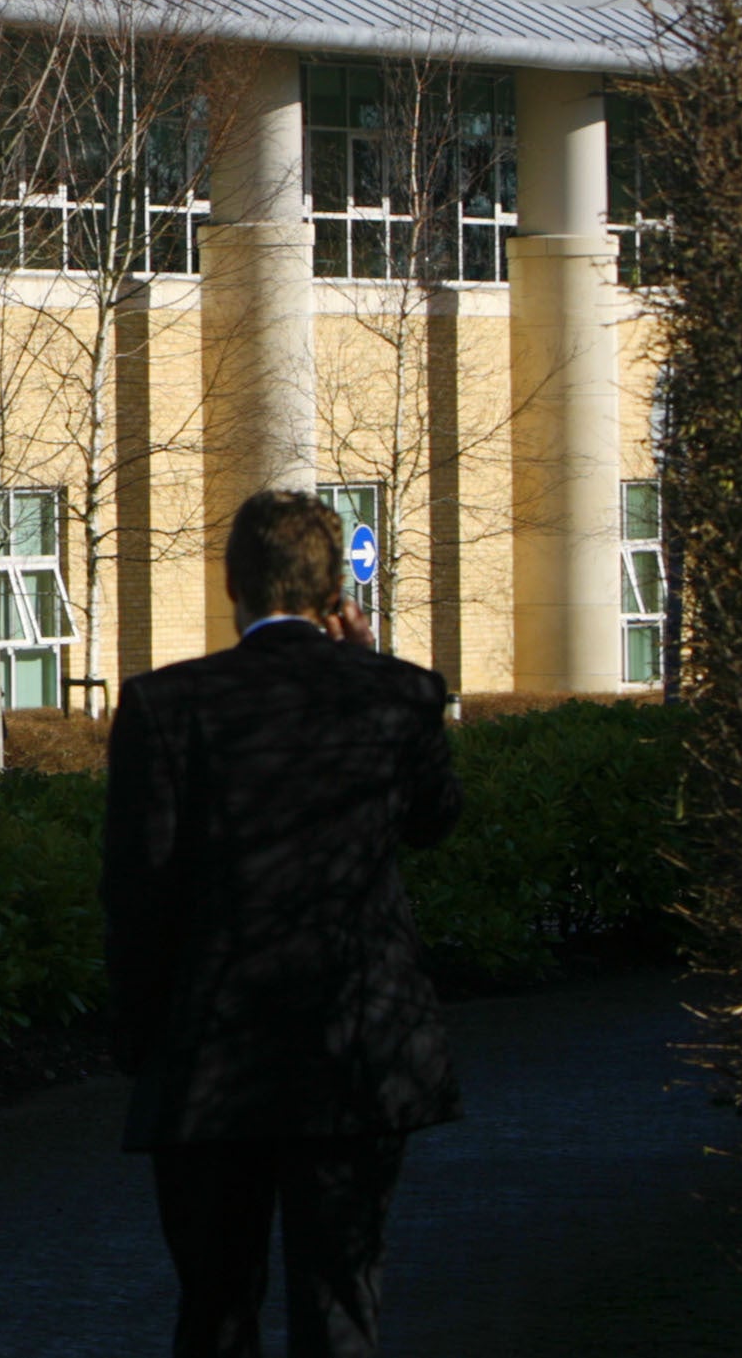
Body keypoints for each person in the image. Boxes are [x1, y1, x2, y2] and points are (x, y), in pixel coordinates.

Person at [103, 488, 464, 1358]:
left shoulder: (165, 707)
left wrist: (141, 1036)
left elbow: (138, 890)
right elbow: (434, 820)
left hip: (213, 1047)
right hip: (358, 1046)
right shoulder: (399, 696)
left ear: (231, 580)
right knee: (342, 1302)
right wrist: (375, 666)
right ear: (335, 592)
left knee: (217, 1306)